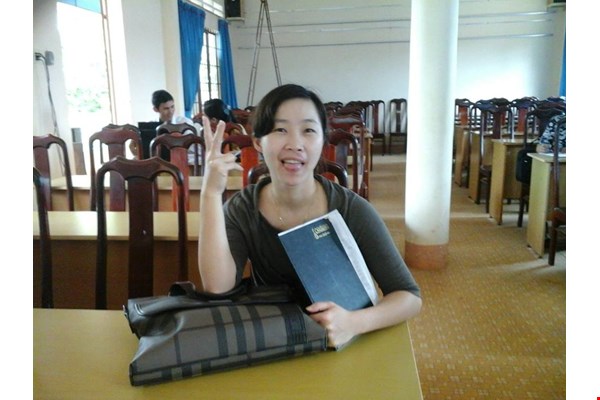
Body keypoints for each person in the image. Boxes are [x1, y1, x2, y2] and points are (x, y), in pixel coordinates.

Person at [198, 83, 422, 349]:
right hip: (275, 342)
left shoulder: (351, 209)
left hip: (345, 343)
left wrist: (353, 322)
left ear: (322, 141)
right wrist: (210, 194)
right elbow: (218, 287)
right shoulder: (243, 209)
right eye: (280, 130)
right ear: (258, 141)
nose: (295, 144)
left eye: (308, 131)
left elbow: (409, 297)